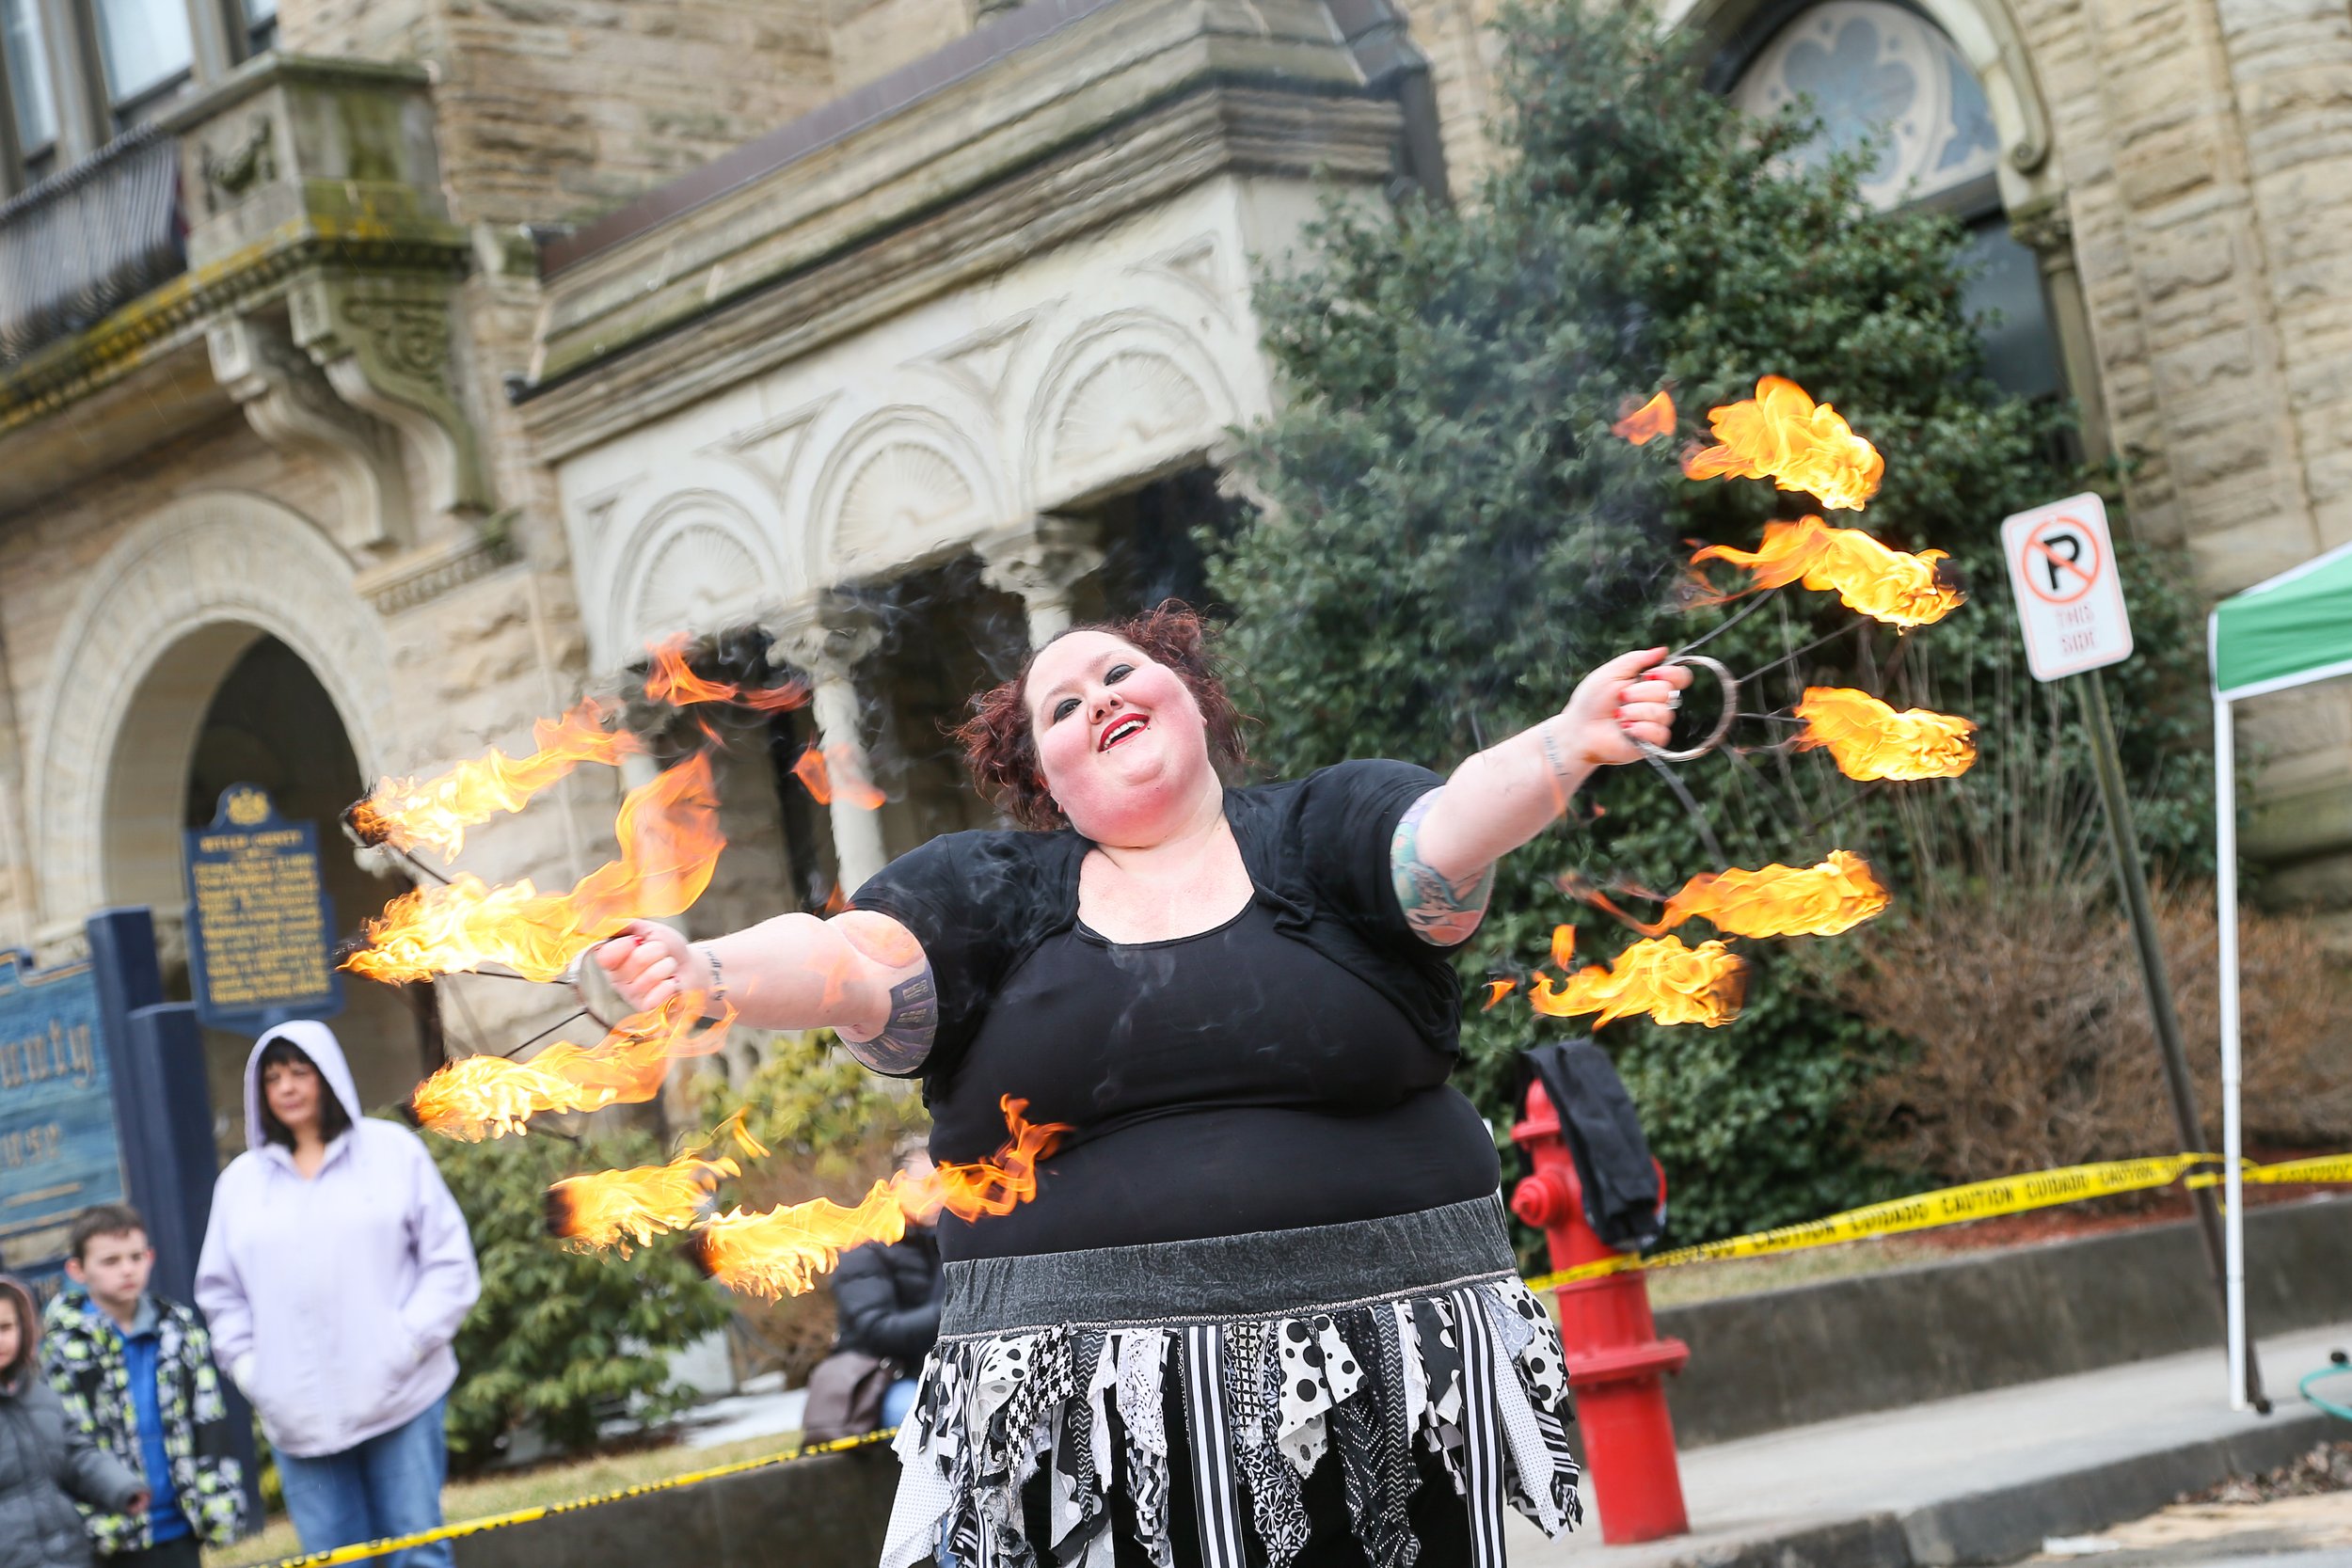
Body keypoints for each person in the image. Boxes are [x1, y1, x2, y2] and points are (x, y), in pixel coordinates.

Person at [597, 602, 1691, 1568]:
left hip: (1376, 1388)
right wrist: (708, 970)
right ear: (1043, 775)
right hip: (1085, 1423)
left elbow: (1450, 826)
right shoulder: (987, 889)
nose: (1099, 698)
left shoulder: (1322, 828)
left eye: (1119, 672)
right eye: (1060, 705)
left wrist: (1566, 742)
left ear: (1190, 698)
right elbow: (842, 958)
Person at [194, 1022, 481, 1568]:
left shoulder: (393, 1152)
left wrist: (407, 1344)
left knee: (416, 1554)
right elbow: (221, 1294)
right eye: (273, 1077)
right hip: (297, 1418)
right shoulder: (240, 1184)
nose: (287, 1087)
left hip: (401, 1398)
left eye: (299, 1071)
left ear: (328, 1075)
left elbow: (448, 1263)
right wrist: (256, 1373)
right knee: (331, 1562)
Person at [41, 1205, 245, 1568]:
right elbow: (65, 1445)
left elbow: (208, 1418)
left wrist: (216, 1499)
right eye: (110, 1260)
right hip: (107, 1533)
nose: (127, 1269)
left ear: (150, 1256)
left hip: (179, 1525)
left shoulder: (178, 1329)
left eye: (136, 1256)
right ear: (77, 1269)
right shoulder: (61, 1347)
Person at [1, 1274, 146, 1568]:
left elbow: (76, 1455)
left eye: (5, 1327)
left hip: (68, 1554)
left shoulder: (40, 1397)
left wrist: (120, 1486)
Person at [830, 1138, 946, 1433]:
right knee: (918, 1416)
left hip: (949, 1374)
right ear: (896, 1186)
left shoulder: (953, 1239)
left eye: (946, 1181)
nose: (940, 1194)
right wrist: (952, 1312)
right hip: (890, 1380)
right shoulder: (866, 1249)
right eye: (926, 1184)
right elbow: (878, 1331)